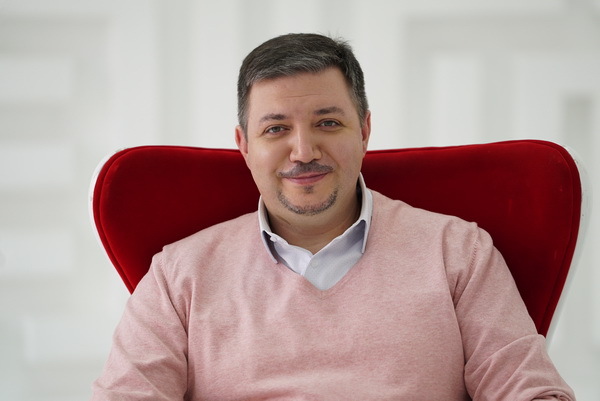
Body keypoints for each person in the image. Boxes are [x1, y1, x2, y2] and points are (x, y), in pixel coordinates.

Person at [91, 33, 575, 400]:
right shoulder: (179, 274)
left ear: (364, 131)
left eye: (328, 123)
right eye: (276, 129)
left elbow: (529, 391)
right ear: (244, 146)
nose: (303, 151)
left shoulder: (458, 251)